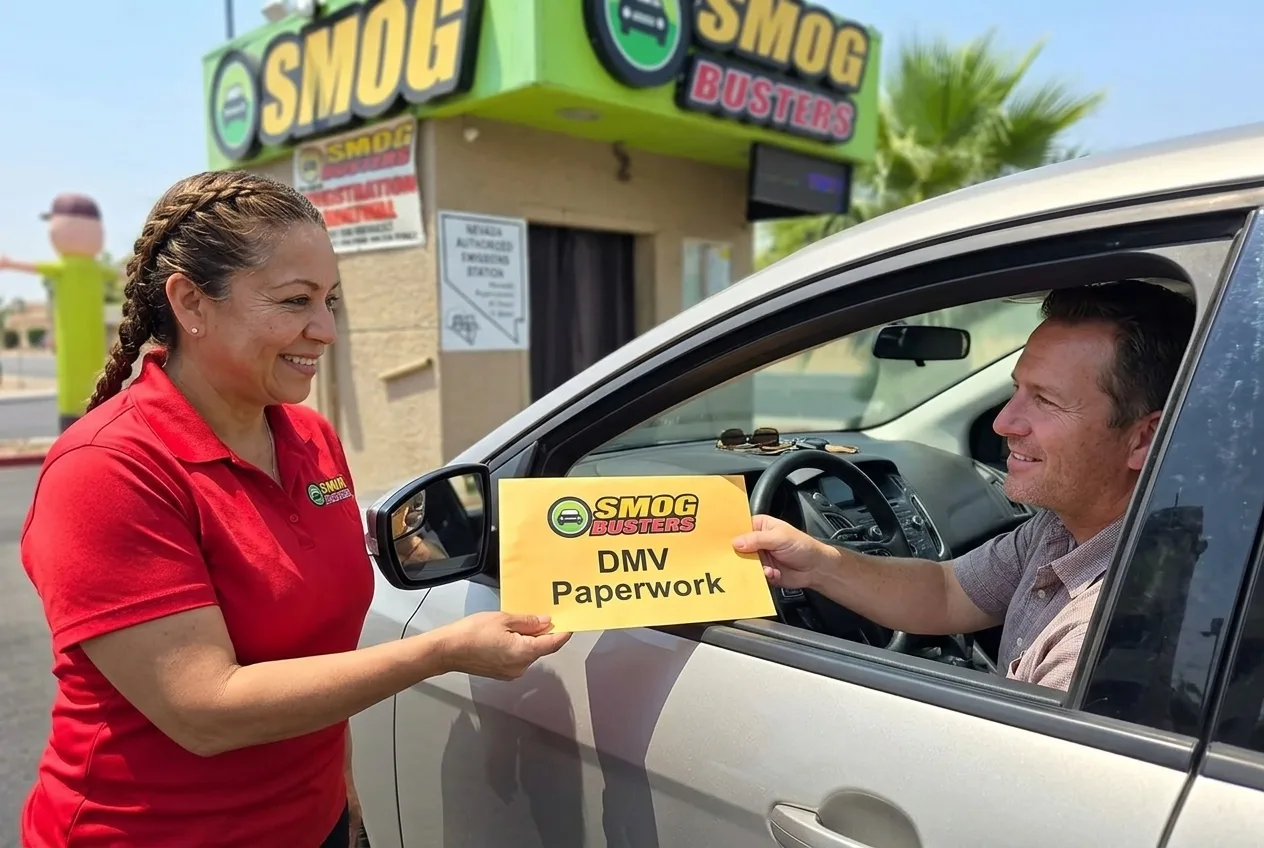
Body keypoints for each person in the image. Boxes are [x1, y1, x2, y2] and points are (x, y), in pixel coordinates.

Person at [18, 170, 571, 847]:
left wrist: (343, 788)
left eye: (329, 300)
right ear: (191, 302)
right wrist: (440, 652)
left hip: (314, 823)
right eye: (295, 301)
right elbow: (204, 710)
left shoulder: (310, 438)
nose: (325, 330)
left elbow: (317, 646)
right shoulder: (106, 469)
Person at [734, 280, 1196, 691]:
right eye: (1016, 390)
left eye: (1046, 401)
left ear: (1143, 439)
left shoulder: (1099, 643)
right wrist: (817, 564)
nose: (1003, 422)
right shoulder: (1066, 527)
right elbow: (947, 592)